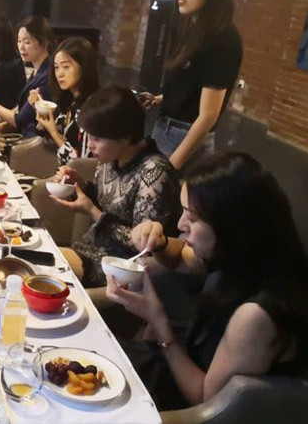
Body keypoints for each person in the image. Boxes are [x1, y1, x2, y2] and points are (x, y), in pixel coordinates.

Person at [109, 153, 308, 410]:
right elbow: (181, 257)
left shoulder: (257, 315)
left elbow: (206, 402)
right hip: (170, 369)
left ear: (231, 226)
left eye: (192, 218)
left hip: (184, 406)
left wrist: (158, 321)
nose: (181, 224)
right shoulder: (244, 257)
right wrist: (158, 242)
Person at [51, 85, 180, 288]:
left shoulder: (154, 171)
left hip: (123, 267)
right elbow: (105, 200)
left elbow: (144, 245)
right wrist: (80, 185)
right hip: (91, 248)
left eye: (97, 138)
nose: (90, 145)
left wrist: (93, 212)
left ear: (125, 137)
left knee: (50, 267)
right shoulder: (110, 158)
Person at [142, 0, 242, 172]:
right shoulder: (195, 32)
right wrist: (160, 99)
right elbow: (192, 86)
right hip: (166, 130)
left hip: (183, 138)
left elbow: (208, 116)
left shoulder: (222, 39)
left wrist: (173, 165)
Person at [0, 15, 56, 136]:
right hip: (20, 135)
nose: (21, 47)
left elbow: (21, 121)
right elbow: (25, 115)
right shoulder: (37, 71)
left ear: (44, 42)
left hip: (29, 142)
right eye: (19, 41)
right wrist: (0, 127)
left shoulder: (46, 77)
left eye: (27, 42)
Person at [35, 37, 100, 165]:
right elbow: (46, 137)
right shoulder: (69, 101)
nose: (59, 74)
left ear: (84, 67)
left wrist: (54, 132)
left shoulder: (92, 110)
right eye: (56, 67)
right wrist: (41, 110)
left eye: (66, 67)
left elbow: (82, 164)